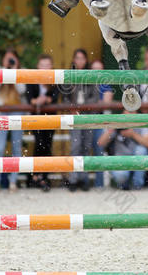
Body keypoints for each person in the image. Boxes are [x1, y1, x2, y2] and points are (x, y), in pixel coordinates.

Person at [0, 49, 26, 193]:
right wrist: (5, 70)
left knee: (16, 148)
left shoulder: (21, 71)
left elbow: (22, 90)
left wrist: (15, 71)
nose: (10, 61)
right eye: (7, 59)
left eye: (12, 59)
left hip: (17, 111)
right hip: (1, 112)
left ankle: (13, 182)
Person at [64, 49, 101, 191]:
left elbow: (95, 97)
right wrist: (72, 108)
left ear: (86, 61)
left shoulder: (90, 76)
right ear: (74, 60)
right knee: (75, 146)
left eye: (82, 58)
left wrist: (84, 107)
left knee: (86, 146)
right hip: (74, 116)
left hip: (87, 116)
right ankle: (73, 179)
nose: (79, 61)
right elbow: (65, 97)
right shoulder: (69, 76)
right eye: (77, 58)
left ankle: (83, 178)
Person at [26, 54, 59, 192]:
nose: (45, 67)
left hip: (50, 118)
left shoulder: (55, 80)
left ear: (51, 66)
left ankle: (43, 176)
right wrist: (37, 101)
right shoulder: (32, 80)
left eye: (47, 65)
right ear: (38, 67)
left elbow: (55, 98)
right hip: (36, 118)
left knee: (47, 144)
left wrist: (43, 99)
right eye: (43, 65)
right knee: (39, 144)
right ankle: (35, 175)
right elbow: (30, 99)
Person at [98, 110, 148, 190]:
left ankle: (137, 185)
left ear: (137, 113)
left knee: (141, 150)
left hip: (136, 158)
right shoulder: (117, 123)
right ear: (122, 113)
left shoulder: (141, 122)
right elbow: (100, 143)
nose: (130, 115)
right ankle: (124, 186)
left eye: (133, 112)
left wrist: (133, 134)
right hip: (120, 159)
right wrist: (113, 128)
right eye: (128, 112)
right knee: (121, 176)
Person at [90, 58, 115, 188]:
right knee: (81, 149)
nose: (97, 73)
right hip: (89, 121)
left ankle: (99, 183)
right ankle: (82, 182)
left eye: (99, 70)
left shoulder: (105, 85)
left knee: (99, 150)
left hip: (101, 122)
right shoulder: (86, 85)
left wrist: (91, 106)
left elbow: (105, 104)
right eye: (94, 70)